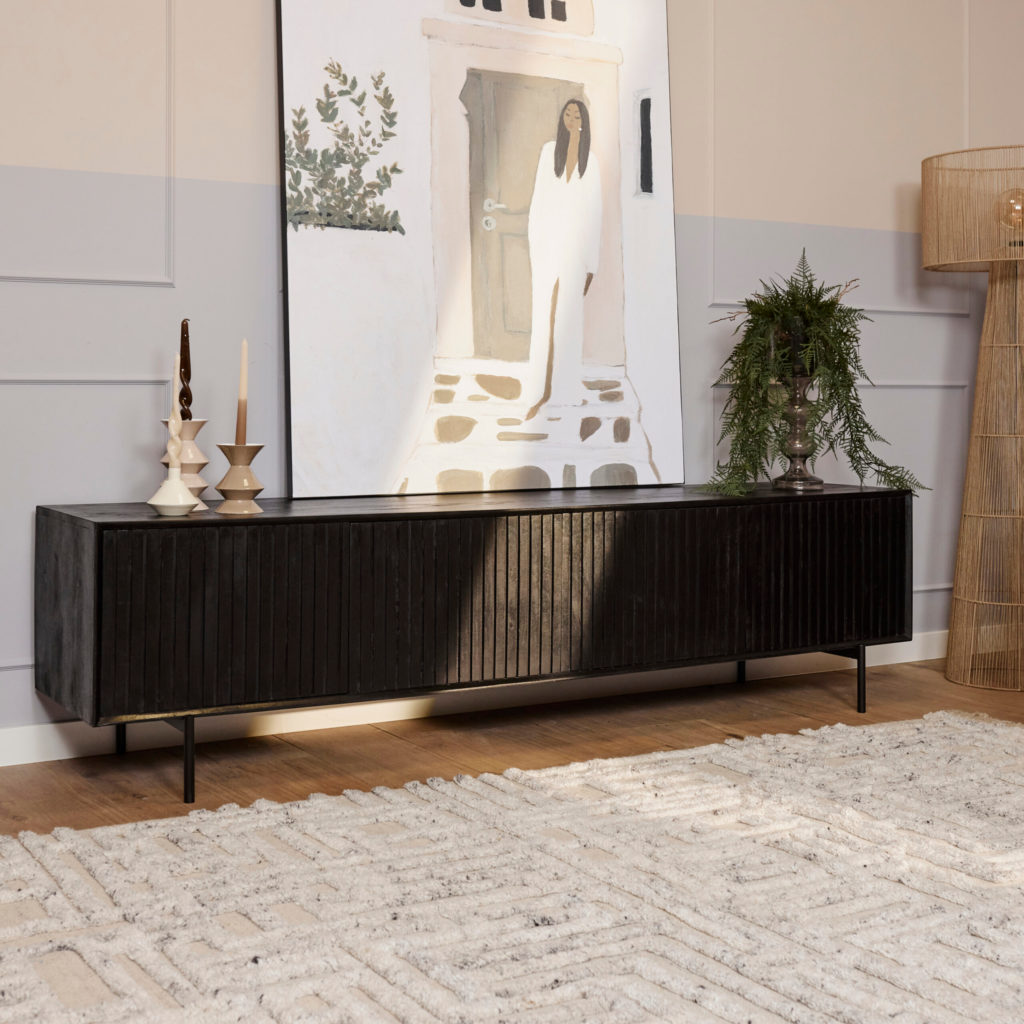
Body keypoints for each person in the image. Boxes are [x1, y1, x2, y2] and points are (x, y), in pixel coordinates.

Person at [523, 98, 602, 419]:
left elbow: (595, 212)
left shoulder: (591, 161)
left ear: (584, 121)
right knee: (542, 316)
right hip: (547, 246)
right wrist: (535, 241)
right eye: (567, 114)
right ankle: (537, 389)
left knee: (570, 319)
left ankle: (566, 390)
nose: (572, 118)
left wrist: (591, 264)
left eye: (577, 114)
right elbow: (538, 200)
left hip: (576, 251)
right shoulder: (548, 153)